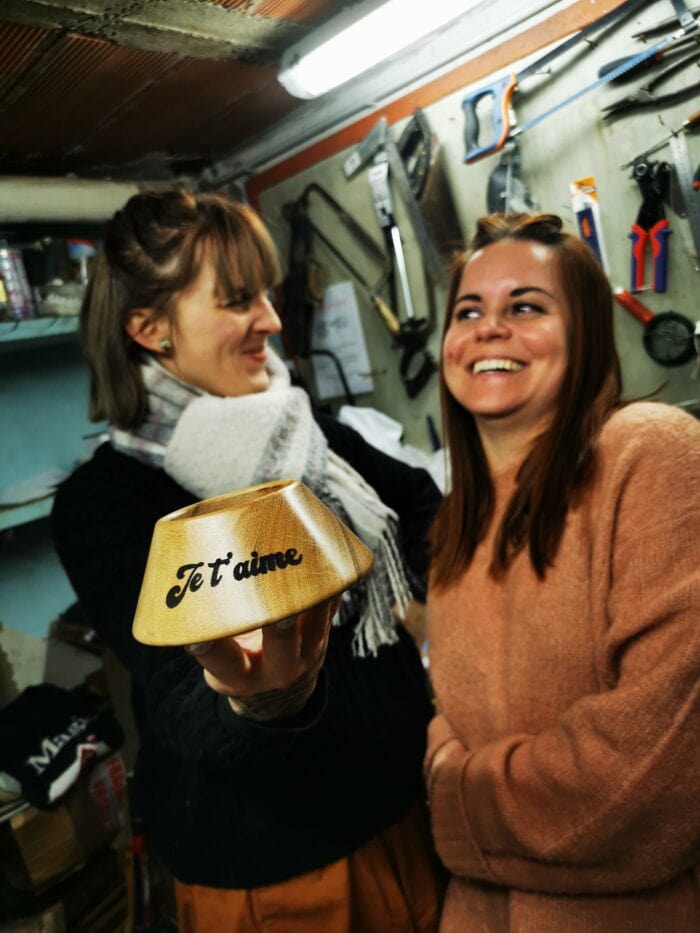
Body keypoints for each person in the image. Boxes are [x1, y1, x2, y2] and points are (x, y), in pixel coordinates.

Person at [51, 187, 446, 931]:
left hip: (407, 814)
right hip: (285, 874)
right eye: (237, 300)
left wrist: (412, 599)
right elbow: (184, 701)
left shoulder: (301, 430)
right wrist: (266, 700)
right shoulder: (107, 502)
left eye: (264, 293)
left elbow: (422, 503)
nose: (269, 317)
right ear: (148, 329)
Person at [424, 212, 699, 932]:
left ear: (584, 333)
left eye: (525, 306)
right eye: (469, 310)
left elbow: (651, 784)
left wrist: (454, 801)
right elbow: (448, 723)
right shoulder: (458, 522)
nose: (489, 327)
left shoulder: (653, 454)